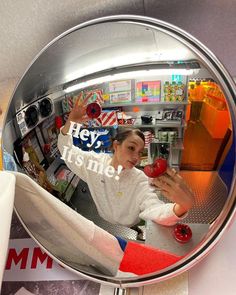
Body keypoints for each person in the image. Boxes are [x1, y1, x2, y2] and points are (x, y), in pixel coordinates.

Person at [57, 98, 194, 227]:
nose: (136, 157)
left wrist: (180, 207)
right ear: (116, 145)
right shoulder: (94, 164)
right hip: (102, 222)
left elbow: (154, 208)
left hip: (132, 225)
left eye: (140, 152)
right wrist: (71, 123)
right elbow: (67, 151)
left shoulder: (139, 180)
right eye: (131, 147)